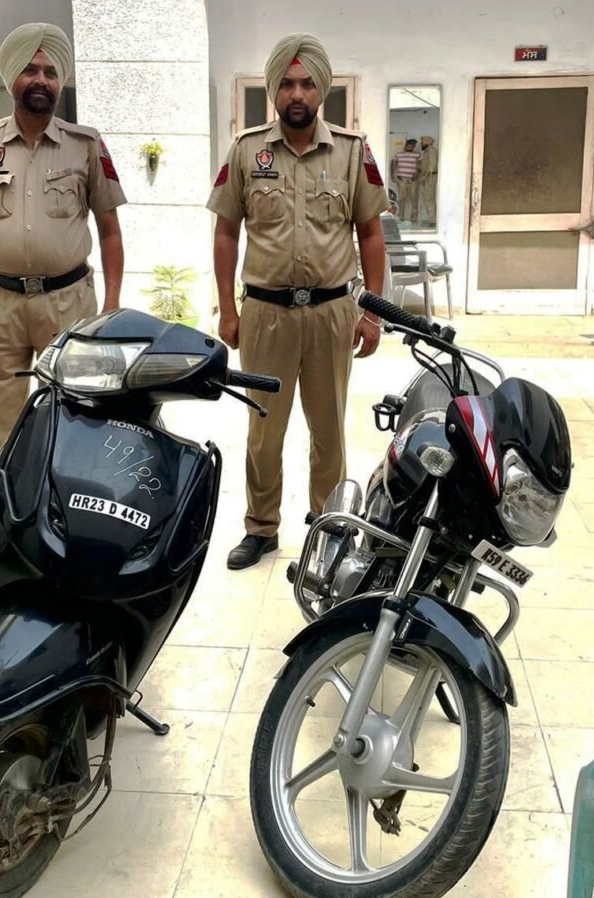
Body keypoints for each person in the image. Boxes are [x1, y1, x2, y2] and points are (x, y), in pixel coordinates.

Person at [207, 33, 388, 570]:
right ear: (273, 91)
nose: (297, 94)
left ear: (322, 90)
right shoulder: (247, 151)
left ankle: (328, 530)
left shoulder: (352, 152)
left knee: (328, 431)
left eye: (307, 84)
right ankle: (261, 528)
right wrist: (228, 309)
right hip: (265, 315)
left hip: (332, 313)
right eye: (286, 84)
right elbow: (225, 232)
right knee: (264, 431)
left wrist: (372, 313)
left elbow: (371, 235)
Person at [0, 22, 126, 458]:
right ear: (12, 80)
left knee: (75, 412)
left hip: (68, 302)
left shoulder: (85, 144)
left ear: (59, 83)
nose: (41, 80)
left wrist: (112, 304)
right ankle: (4, 496)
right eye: (30, 70)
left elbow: (110, 230)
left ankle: (61, 496)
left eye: (50, 72)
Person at [391, 139, 420, 225]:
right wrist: (393, 176)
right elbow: (393, 164)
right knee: (402, 199)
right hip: (402, 179)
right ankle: (401, 217)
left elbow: (420, 166)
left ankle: (414, 219)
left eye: (412, 146)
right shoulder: (399, 154)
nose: (410, 148)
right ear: (405, 146)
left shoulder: (417, 155)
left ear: (414, 147)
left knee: (414, 199)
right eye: (408, 146)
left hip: (413, 180)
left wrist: (417, 175)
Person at [419, 135, 438, 226]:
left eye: (422, 143)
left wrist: (426, 177)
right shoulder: (427, 152)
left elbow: (431, 167)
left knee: (429, 198)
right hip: (427, 176)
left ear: (427, 143)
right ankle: (431, 220)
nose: (421, 144)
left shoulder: (432, 151)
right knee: (427, 198)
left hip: (430, 177)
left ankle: (432, 221)